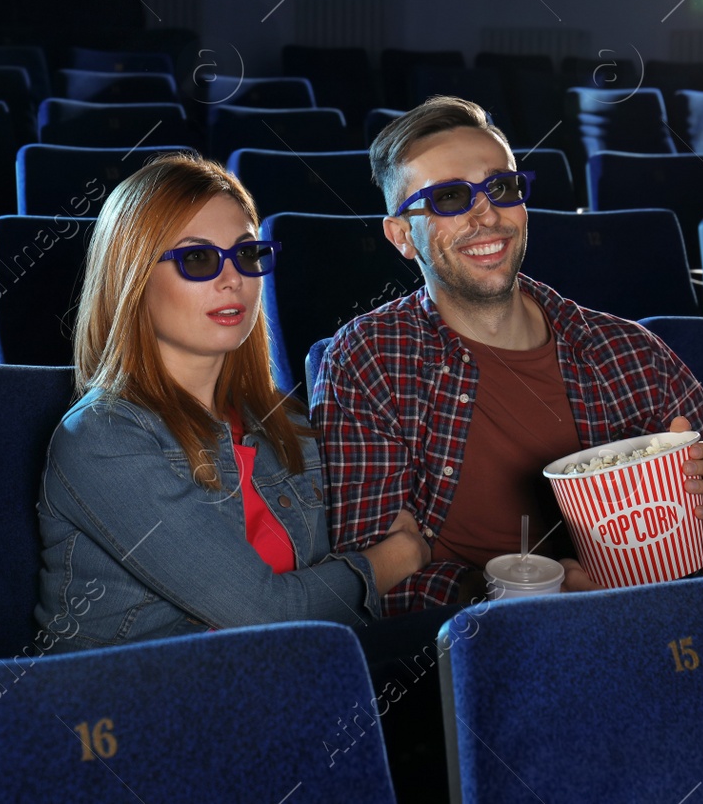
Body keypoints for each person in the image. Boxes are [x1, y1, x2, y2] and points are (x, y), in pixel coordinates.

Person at [314, 97, 703, 615]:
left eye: (501, 187)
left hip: (654, 628)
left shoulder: (628, 352)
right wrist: (516, 590)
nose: (486, 213)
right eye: (450, 198)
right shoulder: (370, 359)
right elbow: (363, 583)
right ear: (401, 237)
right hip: (487, 653)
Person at [35, 153, 428, 646]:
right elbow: (266, 612)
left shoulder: (284, 419)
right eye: (197, 258)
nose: (233, 279)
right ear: (132, 278)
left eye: (246, 255)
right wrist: (401, 556)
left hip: (289, 683)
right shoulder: (100, 437)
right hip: (136, 708)